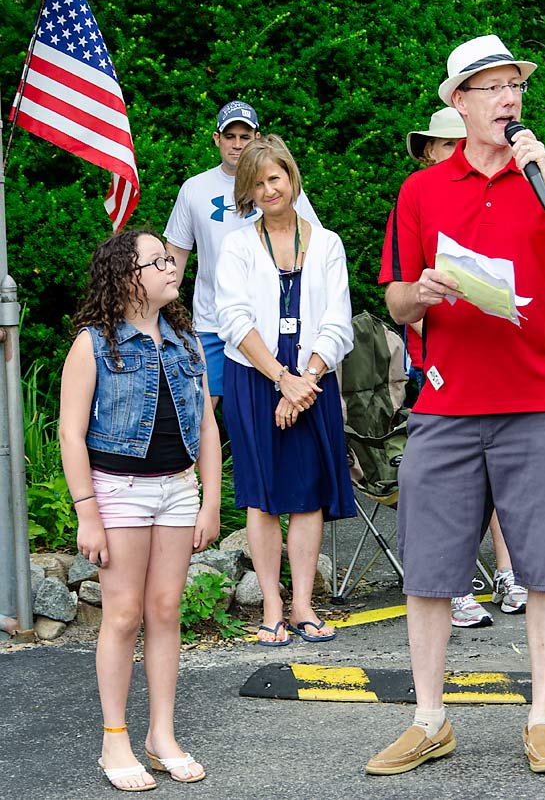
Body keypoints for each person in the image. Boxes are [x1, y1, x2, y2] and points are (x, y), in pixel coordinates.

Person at [367, 34, 545, 777]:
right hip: (445, 406)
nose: (509, 100)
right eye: (492, 88)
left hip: (536, 400)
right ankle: (429, 718)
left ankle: (540, 719)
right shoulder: (422, 191)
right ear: (459, 104)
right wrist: (424, 291)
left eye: (515, 88)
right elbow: (396, 299)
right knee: (430, 571)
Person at [59, 229, 221, 791]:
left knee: (166, 611)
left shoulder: (186, 341)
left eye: (169, 258)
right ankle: (114, 739)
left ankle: (162, 735)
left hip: (177, 490)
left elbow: (205, 426)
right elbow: (71, 433)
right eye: (157, 261)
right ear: (128, 278)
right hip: (117, 491)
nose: (172, 266)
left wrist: (210, 499)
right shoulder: (93, 344)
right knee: (123, 615)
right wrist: (87, 512)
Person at [215, 135, 356, 646]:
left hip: (312, 381)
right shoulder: (236, 246)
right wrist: (282, 379)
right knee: (262, 495)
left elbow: (338, 322)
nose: (268, 188)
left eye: (275, 177)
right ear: (246, 192)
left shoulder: (328, 243)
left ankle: (302, 603)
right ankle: (271, 603)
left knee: (306, 495)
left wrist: (306, 381)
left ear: (291, 179)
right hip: (255, 379)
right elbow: (233, 318)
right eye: (257, 182)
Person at [405, 107, 527, 626]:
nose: (447, 151)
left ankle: (506, 570)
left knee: (502, 481)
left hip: (504, 357)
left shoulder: (510, 186)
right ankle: (452, 584)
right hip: (437, 362)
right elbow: (403, 296)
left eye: (454, 143)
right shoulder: (421, 193)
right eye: (440, 144)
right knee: (451, 487)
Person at [165, 100, 321, 406]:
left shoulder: (280, 187)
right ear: (216, 139)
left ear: (257, 138)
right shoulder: (194, 189)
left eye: (245, 136)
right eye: (230, 136)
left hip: (270, 323)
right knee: (202, 413)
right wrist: (165, 317)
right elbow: (174, 259)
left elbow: (312, 248)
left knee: (267, 410)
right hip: (211, 324)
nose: (237, 144)